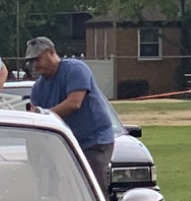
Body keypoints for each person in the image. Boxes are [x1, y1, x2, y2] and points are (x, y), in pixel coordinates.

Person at [25, 35, 123, 192]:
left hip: (94, 140)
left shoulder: (75, 69)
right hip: (66, 144)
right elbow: (36, 121)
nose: (35, 65)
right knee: (66, 191)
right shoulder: (38, 88)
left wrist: (44, 116)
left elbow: (74, 103)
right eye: (31, 61)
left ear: (51, 52)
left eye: (38, 59)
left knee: (92, 189)